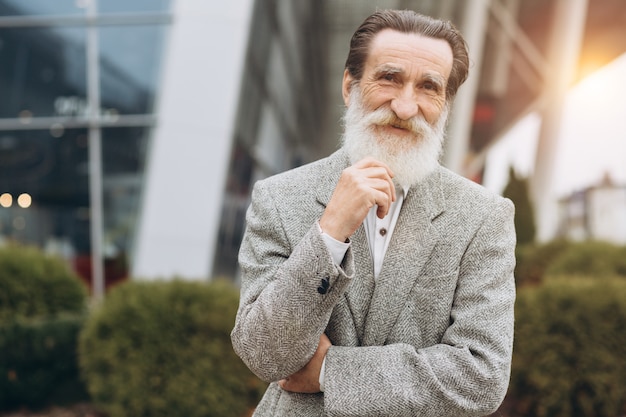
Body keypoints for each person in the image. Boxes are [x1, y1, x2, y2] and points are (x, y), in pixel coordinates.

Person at [231, 9, 516, 417]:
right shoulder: (279, 198)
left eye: (428, 87)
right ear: (350, 86)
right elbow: (264, 354)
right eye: (389, 78)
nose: (404, 106)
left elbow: (481, 377)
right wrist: (330, 232)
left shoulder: (484, 218)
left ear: (445, 105)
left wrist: (332, 369)